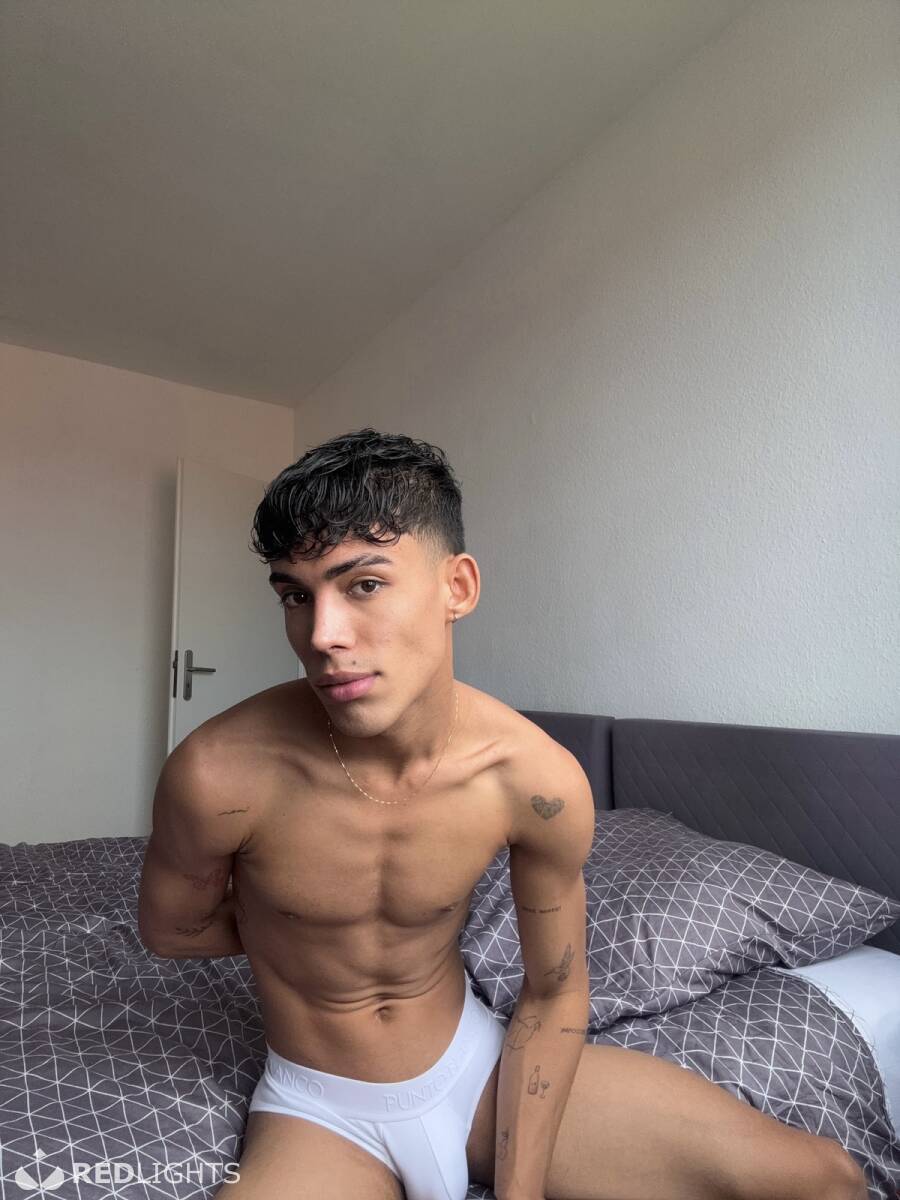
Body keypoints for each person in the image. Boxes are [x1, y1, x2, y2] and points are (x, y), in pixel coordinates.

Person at [138, 429, 867, 1200]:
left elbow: (555, 993)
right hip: (320, 1109)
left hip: (477, 1071)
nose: (322, 635)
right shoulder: (219, 773)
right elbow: (169, 930)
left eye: (364, 585)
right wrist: (292, 925)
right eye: (296, 595)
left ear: (457, 587)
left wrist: (521, 1191)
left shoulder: (532, 780)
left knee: (828, 1180)